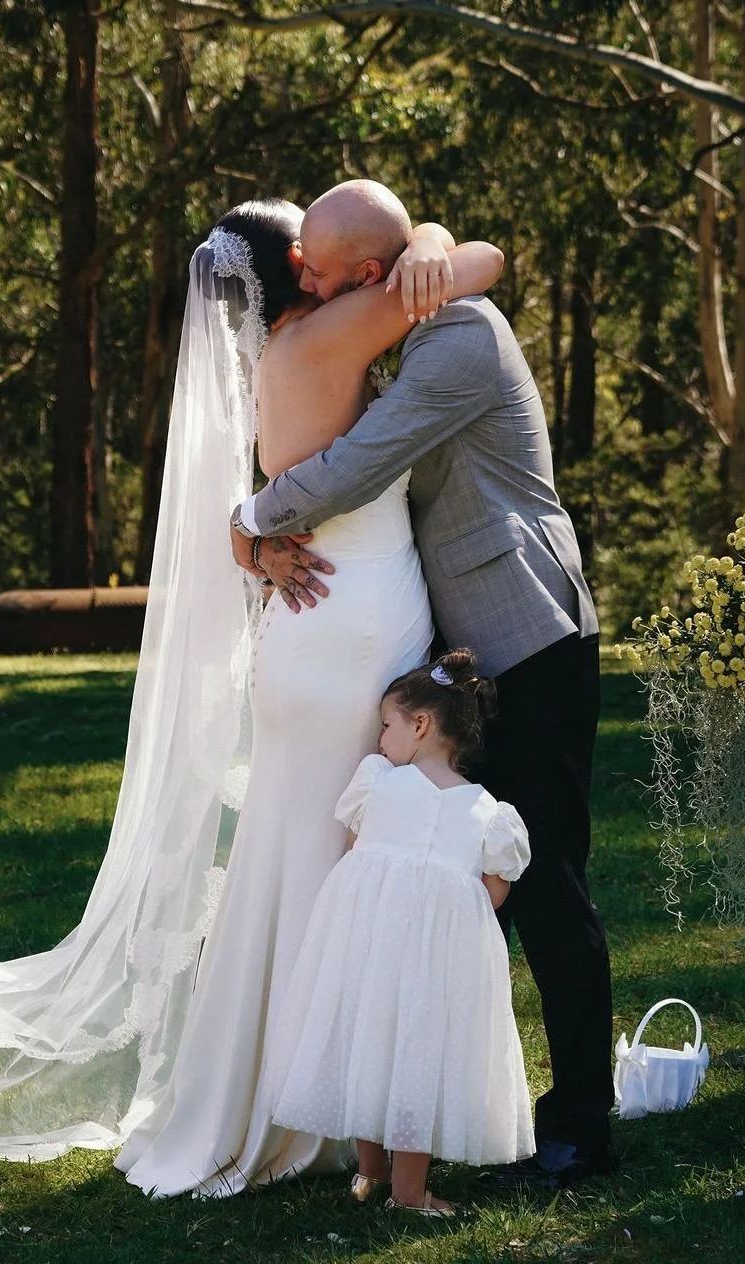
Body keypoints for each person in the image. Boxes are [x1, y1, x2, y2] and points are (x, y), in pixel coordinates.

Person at [231, 180, 616, 1190]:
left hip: (529, 634)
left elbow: (364, 460)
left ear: (371, 272)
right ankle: (434, 1109)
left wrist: (248, 521)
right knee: (449, 884)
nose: (310, 285)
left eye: (322, 269)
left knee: (544, 879)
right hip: (464, 645)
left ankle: (580, 1125)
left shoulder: (460, 342)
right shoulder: (414, 317)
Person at [116, 198, 505, 1197]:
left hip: (303, 639)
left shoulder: (276, 358)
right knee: (337, 871)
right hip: (354, 627)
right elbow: (486, 260)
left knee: (288, 865)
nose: (321, 268)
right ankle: (313, 1109)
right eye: (309, 256)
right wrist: (427, 245)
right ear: (293, 267)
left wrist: (248, 543)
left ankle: (265, 1094)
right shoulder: (329, 335)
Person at [268, 650, 533, 1217]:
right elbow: (493, 892)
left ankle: (372, 1174)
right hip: (437, 964)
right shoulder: (489, 813)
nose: (379, 738)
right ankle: (407, 1191)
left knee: (368, 1044)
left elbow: (355, 850)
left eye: (386, 725)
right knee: (420, 1060)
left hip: (371, 947)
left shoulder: (379, 783)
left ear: (420, 725)